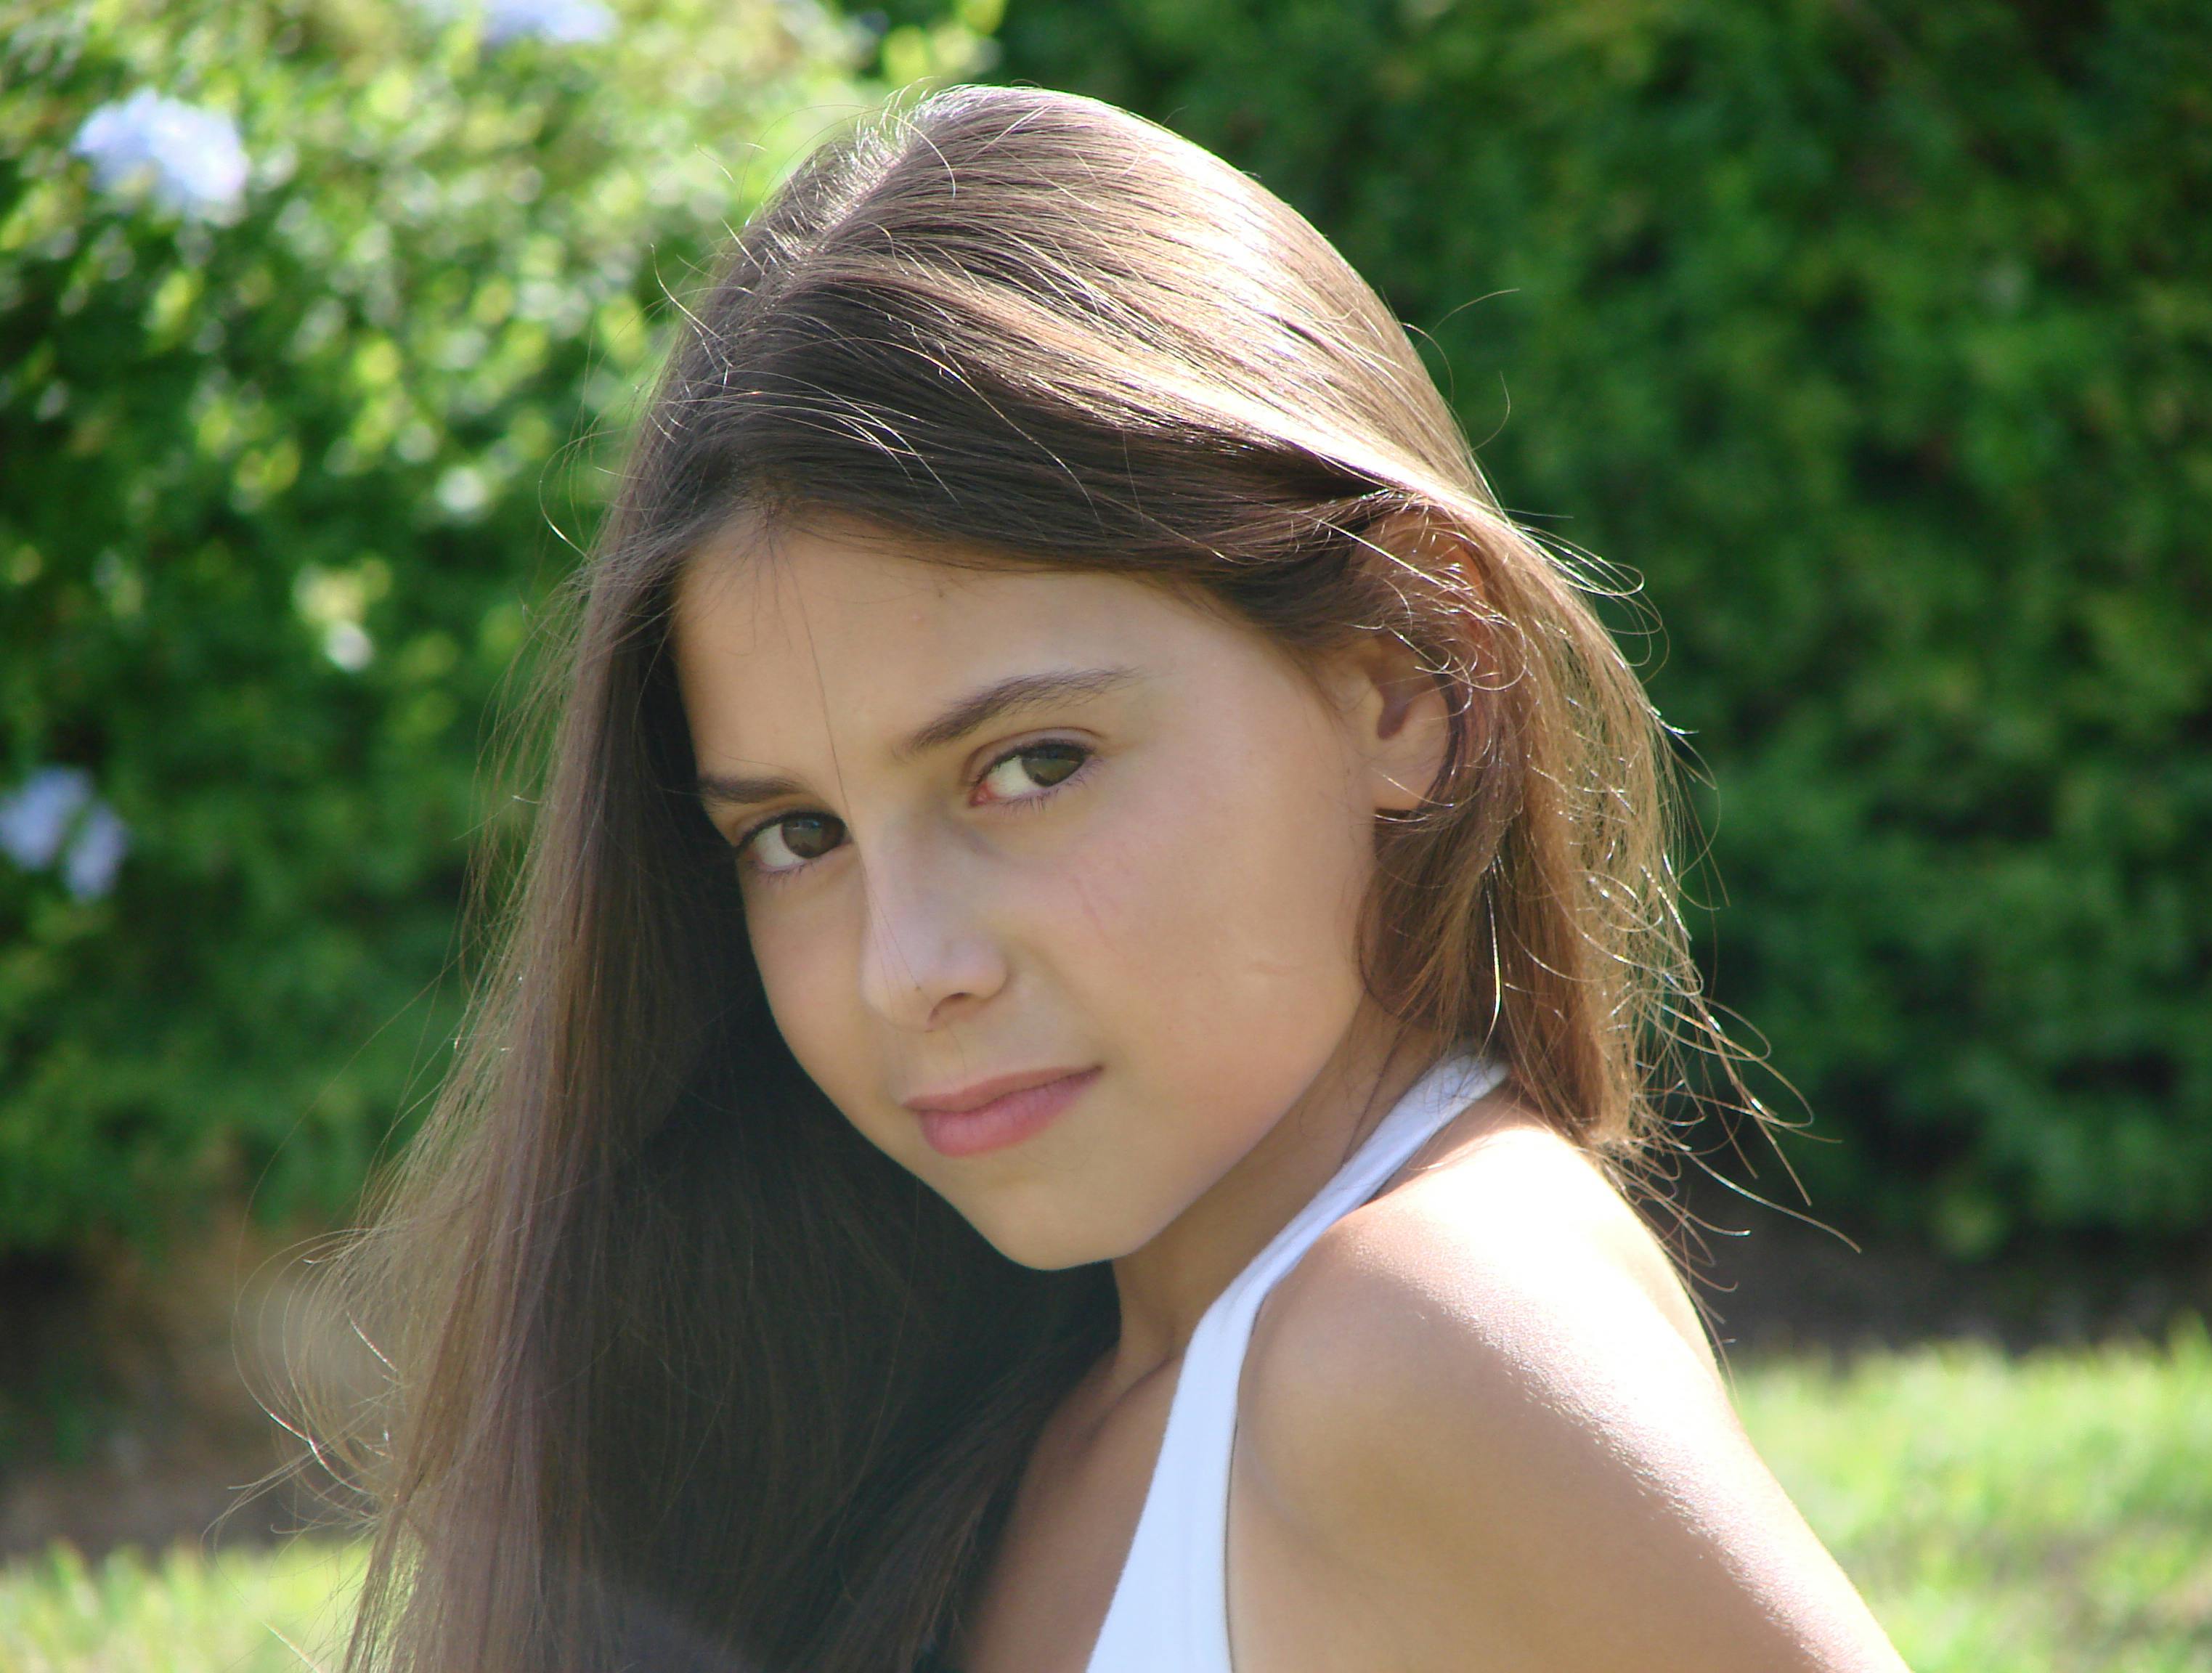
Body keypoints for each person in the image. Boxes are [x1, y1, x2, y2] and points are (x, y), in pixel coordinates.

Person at [314, 84, 1910, 1673]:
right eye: (797, 837)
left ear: (1406, 691)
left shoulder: (1415, 1335)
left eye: (1031, 766)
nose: (905, 967)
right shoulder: (1044, 1372)